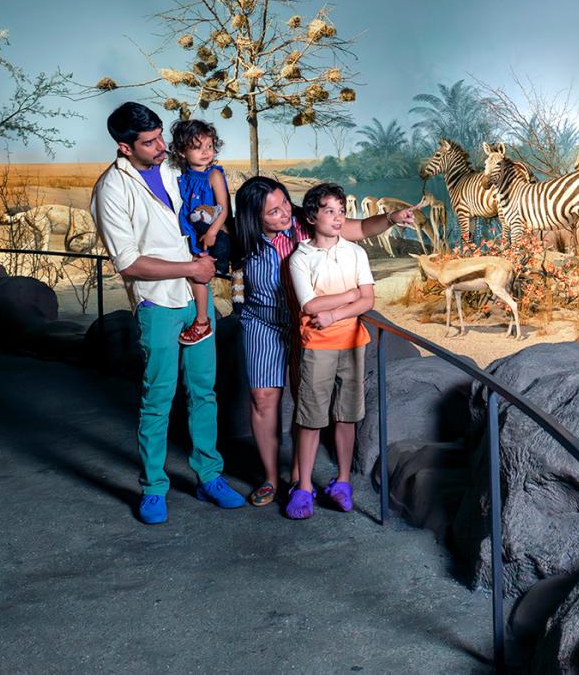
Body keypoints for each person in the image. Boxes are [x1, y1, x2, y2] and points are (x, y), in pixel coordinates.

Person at [90, 102, 245, 524]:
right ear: (125, 147)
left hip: (198, 298)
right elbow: (128, 262)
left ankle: (209, 476)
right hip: (157, 302)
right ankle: (154, 488)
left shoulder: (176, 168)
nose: (162, 146)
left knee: (204, 392)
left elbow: (210, 202)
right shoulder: (111, 190)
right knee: (158, 399)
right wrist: (192, 268)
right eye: (150, 142)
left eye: (161, 136)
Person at [232, 176, 414, 508]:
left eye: (285, 202)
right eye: (273, 212)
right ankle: (271, 478)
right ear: (253, 218)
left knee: (308, 400)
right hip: (264, 321)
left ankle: (298, 478)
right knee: (262, 398)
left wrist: (390, 218)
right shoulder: (240, 239)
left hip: (308, 323)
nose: (284, 213)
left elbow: (358, 229)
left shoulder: (307, 223)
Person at [285, 183, 374, 520]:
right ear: (311, 216)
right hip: (317, 346)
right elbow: (310, 303)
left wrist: (335, 313)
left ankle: (343, 482)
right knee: (310, 419)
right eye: (330, 210)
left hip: (352, 343)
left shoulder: (356, 253)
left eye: (342, 210)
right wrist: (350, 296)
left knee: (347, 415)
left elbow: (369, 299)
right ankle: (304, 487)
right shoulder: (300, 257)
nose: (338, 218)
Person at [169, 119, 231, 346]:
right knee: (188, 272)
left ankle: (203, 321)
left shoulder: (213, 175)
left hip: (207, 233)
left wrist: (213, 231)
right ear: (182, 151)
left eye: (209, 146)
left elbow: (222, 207)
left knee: (197, 275)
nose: (206, 152)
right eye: (197, 147)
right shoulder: (181, 177)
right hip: (188, 233)